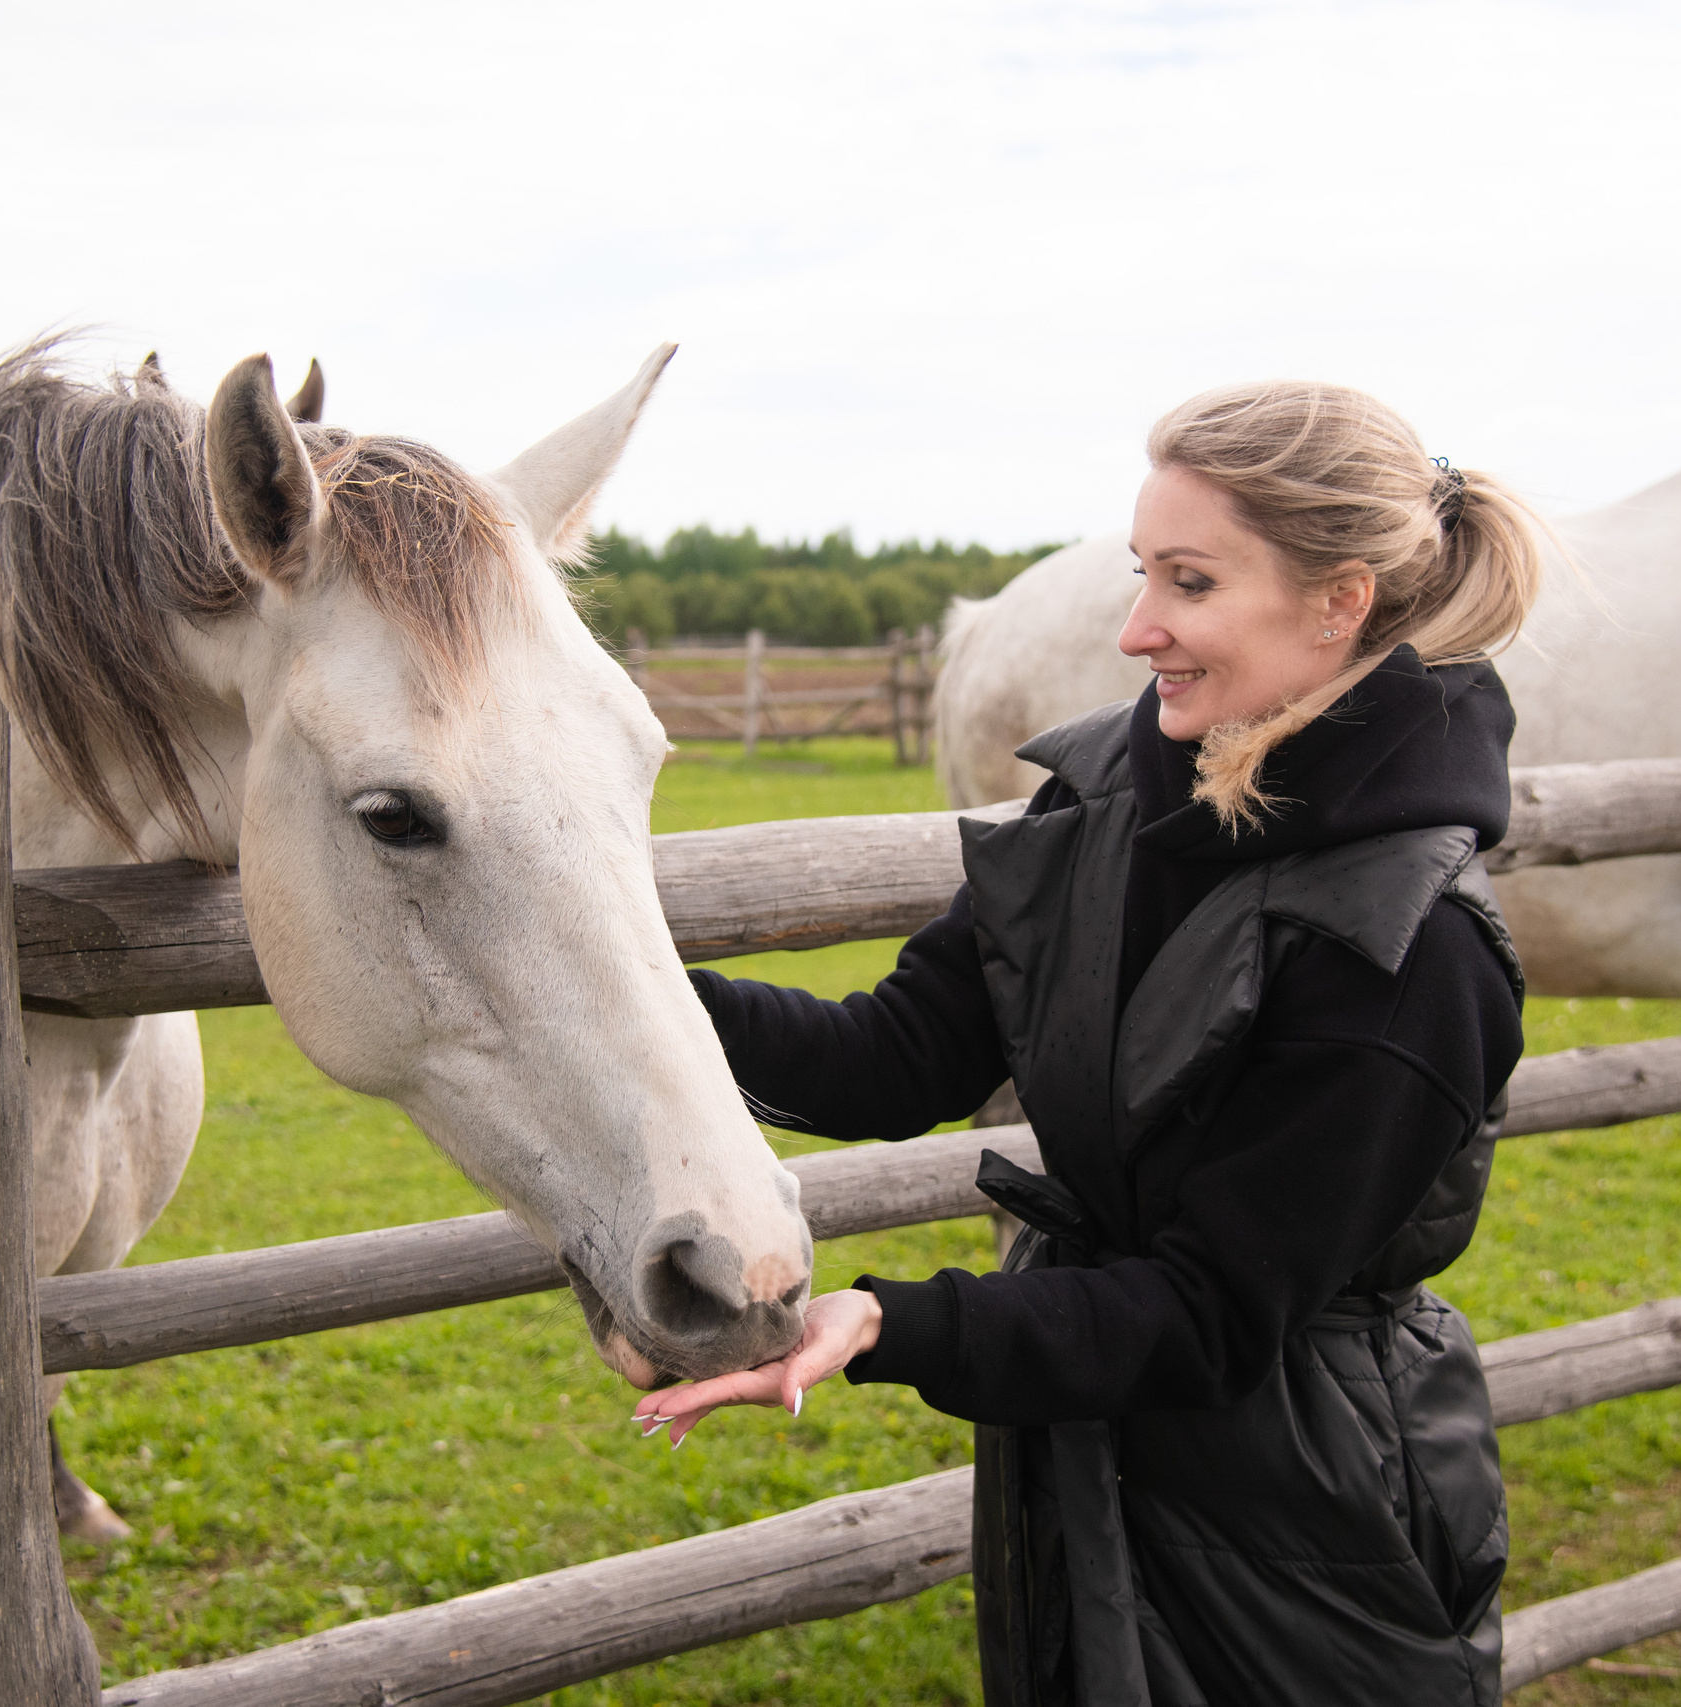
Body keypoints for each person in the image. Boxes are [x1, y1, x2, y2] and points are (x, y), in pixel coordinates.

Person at [637, 382, 1547, 1707]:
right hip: (1089, 1449)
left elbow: (1207, 1313)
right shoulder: (1106, 806)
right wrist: (629, 992)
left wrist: (892, 1323)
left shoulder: (1410, 951)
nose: (1137, 631)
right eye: (1142, 574)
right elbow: (893, 1054)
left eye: (1189, 582)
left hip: (1307, 1508)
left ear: (1340, 601)